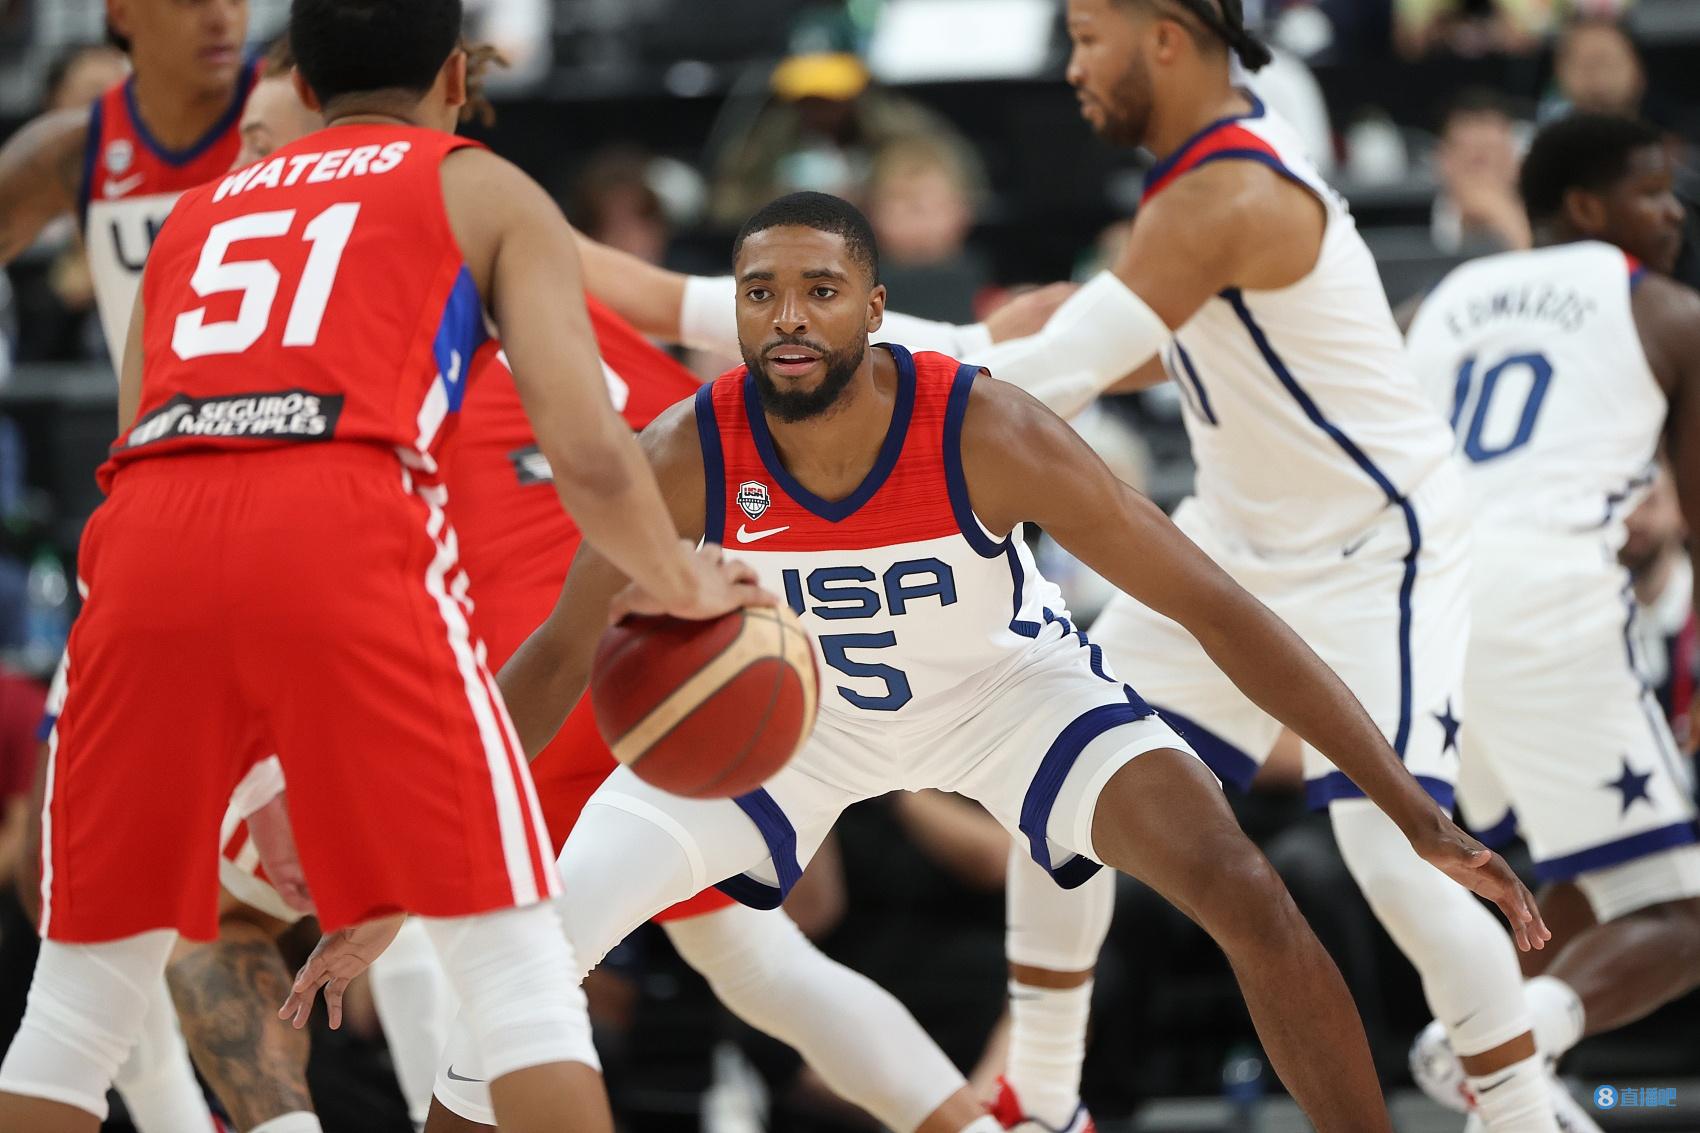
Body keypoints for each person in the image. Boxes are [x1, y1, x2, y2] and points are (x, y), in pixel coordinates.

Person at [282, 191, 1546, 1133]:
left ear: (874, 306)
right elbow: (558, 658)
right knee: (536, 942)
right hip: (789, 729)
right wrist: (397, 878)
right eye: (760, 292)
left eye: (819, 288)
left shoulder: (984, 426)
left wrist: (1405, 803)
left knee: (1241, 883)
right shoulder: (685, 446)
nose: (787, 314)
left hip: (1007, 696)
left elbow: (1217, 607)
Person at [192, 46, 1023, 1133]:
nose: (250, 169)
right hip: (658, 662)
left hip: (526, 674)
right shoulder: (563, 291)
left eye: (264, 144)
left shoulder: (352, 299)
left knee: (275, 924)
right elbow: (709, 352)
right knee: (752, 957)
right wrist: (978, 345)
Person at [0, 0, 769, 1130]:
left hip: (142, 551)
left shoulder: (194, 216)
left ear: (302, 88)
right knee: (516, 974)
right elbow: (591, 453)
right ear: (456, 77)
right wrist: (681, 577)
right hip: (343, 518)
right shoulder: (479, 185)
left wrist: (258, 779)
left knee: (75, 1006)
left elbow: (141, 455)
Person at [929, 1, 1561, 1128]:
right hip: (1236, 536)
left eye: (1087, 37)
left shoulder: (1228, 190)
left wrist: (860, 381)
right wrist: (906, 345)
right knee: (1050, 778)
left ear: (1165, 38)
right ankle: (1047, 1100)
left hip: (1373, 546)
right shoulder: (1192, 176)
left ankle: (1520, 1110)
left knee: (1397, 860)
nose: (1070, 66)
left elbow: (1060, 374)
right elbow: (1117, 339)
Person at [1403, 112, 1700, 1126]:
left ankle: (1510, 1080)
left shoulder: (1435, 302)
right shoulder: (1665, 310)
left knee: (1587, 873)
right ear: (1585, 206)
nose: (1674, 211)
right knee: (1685, 917)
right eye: (1652, 191)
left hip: (1429, 618)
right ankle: (1489, 1048)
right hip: (1548, 601)